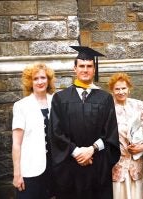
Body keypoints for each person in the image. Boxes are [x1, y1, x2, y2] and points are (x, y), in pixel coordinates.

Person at [49, 46, 121, 199]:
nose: (85, 70)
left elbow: (111, 132)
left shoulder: (105, 98)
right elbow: (55, 132)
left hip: (97, 165)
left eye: (89, 66)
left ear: (94, 70)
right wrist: (76, 152)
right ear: (74, 68)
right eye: (81, 66)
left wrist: (91, 150)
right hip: (70, 165)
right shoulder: (60, 98)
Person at [12, 63, 56, 199]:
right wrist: (17, 173)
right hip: (31, 169)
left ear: (48, 80)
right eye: (35, 79)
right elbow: (16, 144)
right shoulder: (21, 106)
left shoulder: (56, 101)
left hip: (54, 168)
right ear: (30, 82)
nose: (40, 82)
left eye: (43, 77)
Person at [108, 72, 143, 199]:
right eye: (117, 89)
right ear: (112, 90)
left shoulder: (138, 105)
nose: (121, 92)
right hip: (117, 163)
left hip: (135, 162)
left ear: (129, 89)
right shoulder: (108, 107)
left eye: (123, 88)